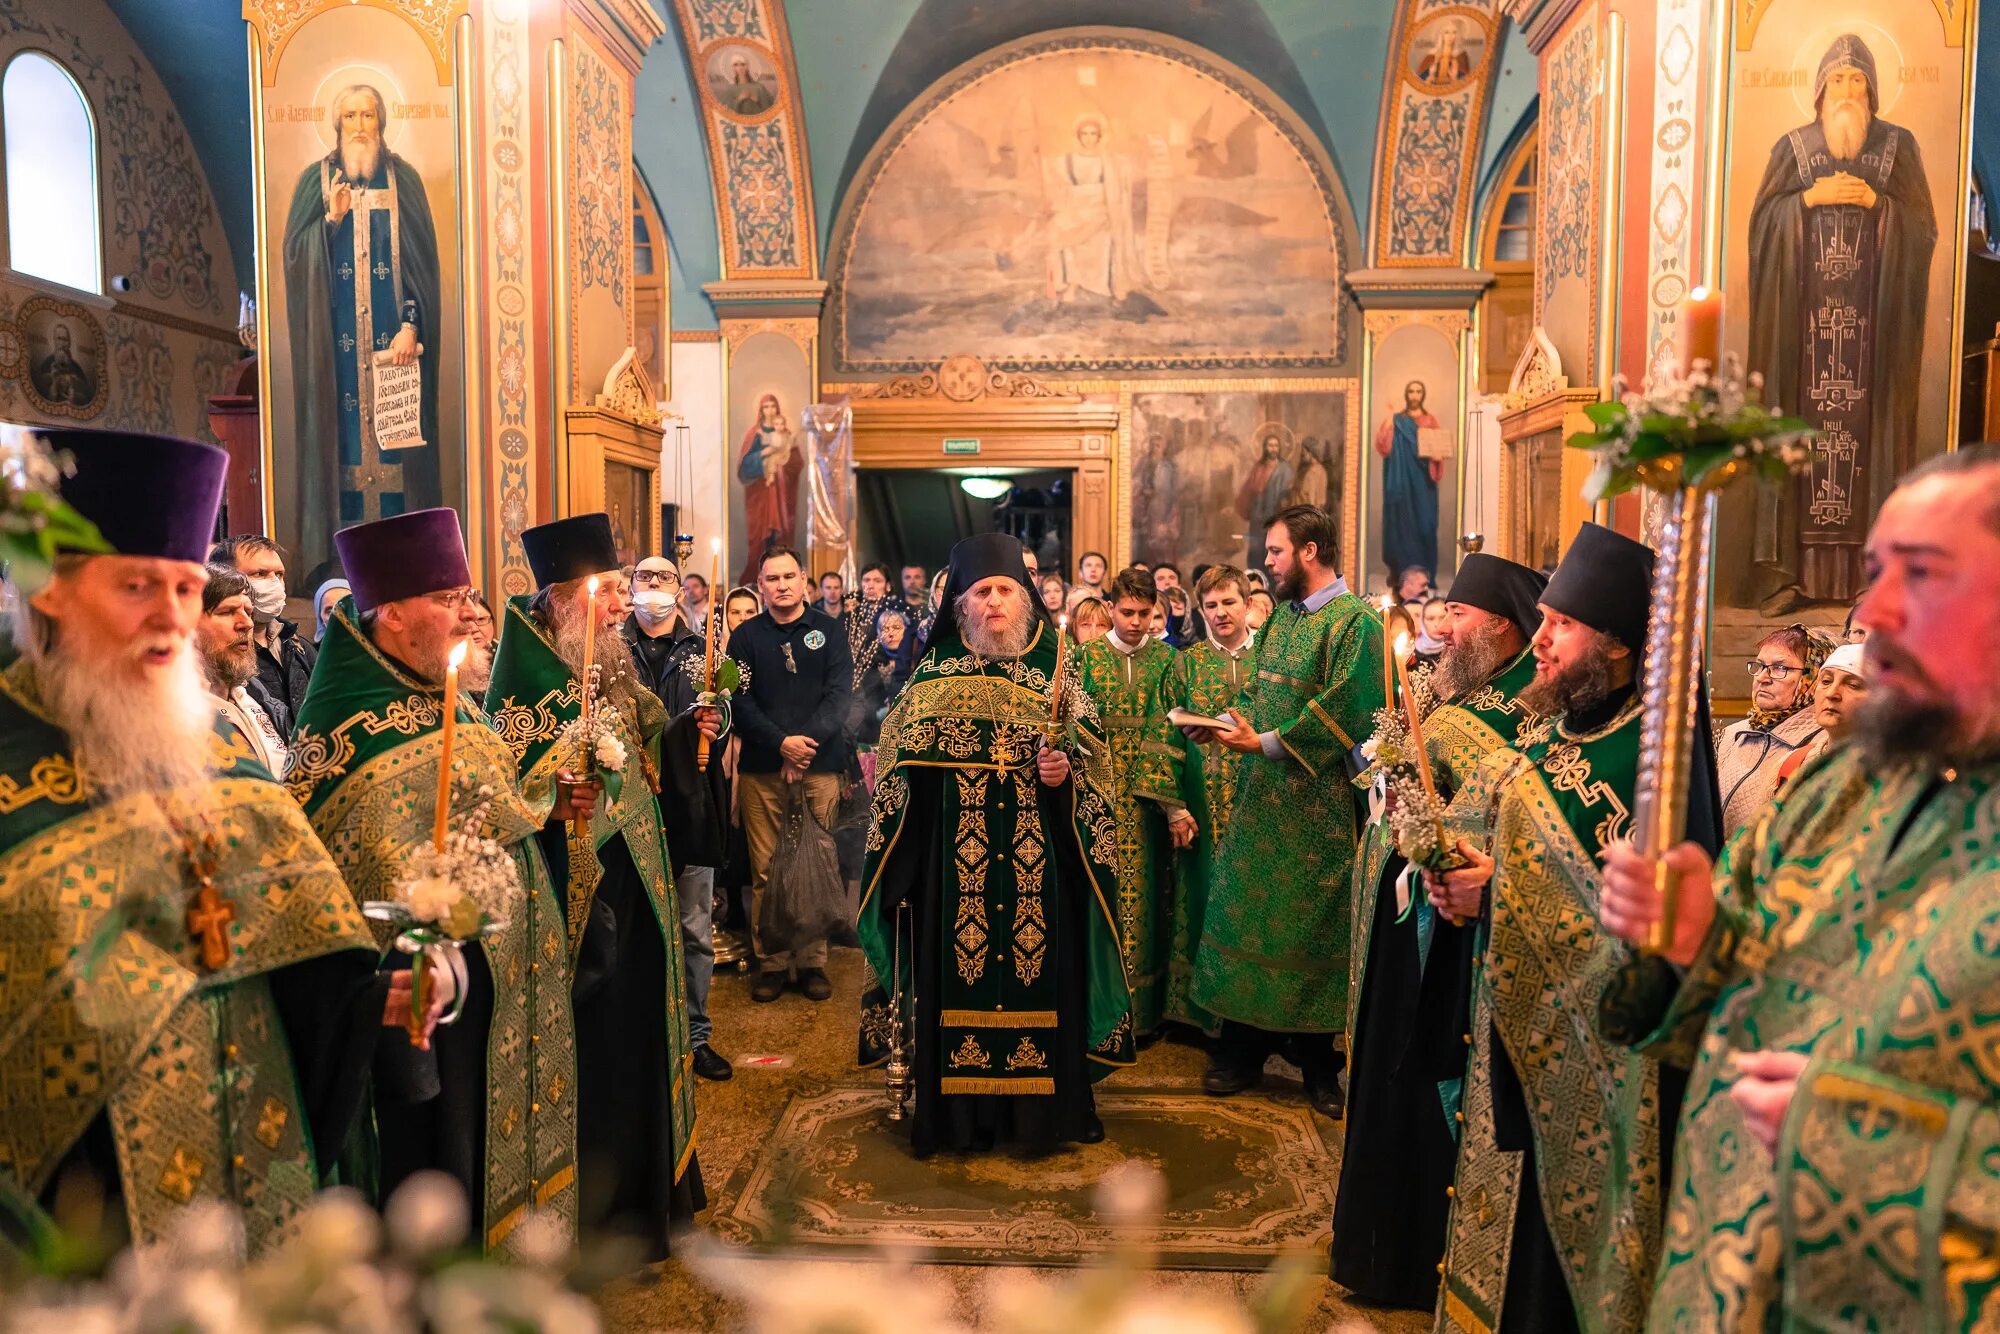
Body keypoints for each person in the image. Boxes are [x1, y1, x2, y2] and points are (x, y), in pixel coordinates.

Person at [1598, 446, 2000, 1330]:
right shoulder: (1841, 784)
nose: (1876, 613)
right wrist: (1700, 940)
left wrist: (1848, 1143)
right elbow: (1745, 995)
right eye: (1874, 575)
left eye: (1922, 576)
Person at [0, 428, 424, 1255]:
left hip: (264, 1170)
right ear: (46, 586)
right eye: (136, 586)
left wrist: (370, 999)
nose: (171, 619)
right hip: (93, 1212)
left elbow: (289, 956)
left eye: (188, 589)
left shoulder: (216, 749)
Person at [1427, 524, 1722, 1334]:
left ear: (1620, 648)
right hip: (1516, 1037)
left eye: (1560, 625)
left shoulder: (1656, 759)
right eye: (1544, 618)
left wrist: (1501, 894)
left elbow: (1657, 935)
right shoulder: (1557, 726)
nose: (1542, 640)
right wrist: (1466, 879)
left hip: (1606, 1078)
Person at [289, 507, 578, 1255]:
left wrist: (549, 809)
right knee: (440, 1170)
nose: (468, 615)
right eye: (447, 599)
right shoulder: (341, 734)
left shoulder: (451, 703)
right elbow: (333, 886)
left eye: (468, 597)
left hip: (505, 985)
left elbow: (503, 814)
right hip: (422, 1010)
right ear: (389, 612)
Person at [856, 533, 1136, 1156]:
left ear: (1026, 596)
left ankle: (1045, 1120)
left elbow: (1097, 778)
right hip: (953, 882)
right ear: (960, 602)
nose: (994, 604)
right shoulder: (930, 677)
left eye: (1006, 590)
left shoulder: (1057, 674)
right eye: (981, 592)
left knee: (1043, 983)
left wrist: (1066, 776)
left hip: (1043, 875)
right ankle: (960, 1123)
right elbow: (899, 787)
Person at [484, 512, 705, 1261]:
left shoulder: (610, 667)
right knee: (602, 1054)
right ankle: (605, 1216)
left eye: (619, 589)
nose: (619, 605)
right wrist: (553, 800)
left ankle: (654, 1198)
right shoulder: (521, 691)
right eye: (607, 590)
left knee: (642, 1038)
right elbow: (505, 800)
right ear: (561, 598)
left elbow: (650, 743)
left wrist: (695, 726)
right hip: (582, 918)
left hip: (638, 891)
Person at [1330, 553, 1545, 1311]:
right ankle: (1373, 1249)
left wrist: (1435, 821)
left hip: (1449, 935)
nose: (1443, 627)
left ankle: (1413, 1256)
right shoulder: (1455, 688)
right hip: (1403, 918)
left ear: (1503, 629)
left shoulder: (1526, 708)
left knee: (1424, 1095)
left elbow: (1509, 815)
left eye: (1459, 614)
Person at [1184, 504, 1384, 1118]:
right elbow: (1258, 693)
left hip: (1315, 806)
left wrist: (1268, 742)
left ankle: (1321, 1064)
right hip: (1258, 799)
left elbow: (1349, 708)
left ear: (1309, 551)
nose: (1264, 563)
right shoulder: (1285, 620)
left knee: (1309, 923)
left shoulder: (1356, 624)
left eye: (1274, 552)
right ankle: (1243, 1049)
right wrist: (1222, 724)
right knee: (1247, 913)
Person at [1747, 34, 1936, 610]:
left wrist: (1882, 209)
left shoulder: (1898, 148)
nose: (1848, 90)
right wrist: (1803, 202)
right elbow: (1761, 228)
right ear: (1820, 89)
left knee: (1869, 444)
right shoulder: (1794, 149)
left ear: (1874, 91)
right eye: (1838, 80)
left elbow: (1923, 230)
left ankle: (1871, 577)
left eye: (1859, 80)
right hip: (1800, 343)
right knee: (1798, 443)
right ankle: (1786, 578)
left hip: (1874, 340)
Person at [283, 83, 443, 560]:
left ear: (381, 123)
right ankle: (340, 566)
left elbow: (422, 269)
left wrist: (411, 326)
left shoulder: (404, 181)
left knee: (400, 460)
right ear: (336, 127)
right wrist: (329, 223)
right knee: (343, 449)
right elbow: (295, 258)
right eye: (349, 117)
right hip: (337, 357)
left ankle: (406, 560)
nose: (358, 126)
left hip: (395, 355)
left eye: (367, 116)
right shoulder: (316, 181)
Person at [1134, 565, 1260, 1037]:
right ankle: (1201, 1018)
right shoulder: (1185, 663)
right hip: (1200, 809)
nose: (1220, 612)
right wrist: (1174, 808)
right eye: (1211, 605)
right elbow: (1161, 734)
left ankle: (1251, 1024)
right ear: (1200, 610)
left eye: (1229, 602)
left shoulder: (1269, 660)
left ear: (1247, 604)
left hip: (1258, 805)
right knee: (1200, 900)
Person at [622, 555, 734, 1083]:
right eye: (644, 578)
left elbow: (723, 713)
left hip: (689, 801)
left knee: (693, 927)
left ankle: (695, 1038)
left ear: (678, 589)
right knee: (634, 923)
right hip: (629, 804)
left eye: (663, 578)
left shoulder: (701, 651)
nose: (653, 587)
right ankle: (642, 1039)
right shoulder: (609, 648)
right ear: (631, 588)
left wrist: (717, 723)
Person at [729, 546, 854, 1002]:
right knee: (766, 870)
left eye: (789, 576)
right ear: (759, 585)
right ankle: (773, 962)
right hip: (763, 769)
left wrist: (801, 748)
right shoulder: (745, 639)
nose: (781, 585)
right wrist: (780, 744)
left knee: (816, 862)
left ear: (805, 580)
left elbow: (839, 698)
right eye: (771, 579)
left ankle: (813, 961)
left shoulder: (829, 630)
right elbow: (739, 702)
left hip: (819, 767)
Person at [1073, 567, 1178, 1036]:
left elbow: (1174, 729)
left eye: (1146, 613)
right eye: (1128, 612)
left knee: (1148, 900)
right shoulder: (1085, 658)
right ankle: (1099, 1006)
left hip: (1148, 800)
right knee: (1100, 899)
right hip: (1094, 797)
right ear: (1111, 607)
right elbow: (1070, 725)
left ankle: (1143, 1013)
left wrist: (1165, 799)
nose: (1136, 622)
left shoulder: (1169, 661)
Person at [1717, 624, 1832, 837]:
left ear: (1813, 677)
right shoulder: (1733, 734)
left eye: (1780, 668)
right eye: (1760, 666)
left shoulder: (1823, 744)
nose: (1762, 677)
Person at [211, 533, 318, 733]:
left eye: (279, 575)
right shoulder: (217, 653)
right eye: (260, 574)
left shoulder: (299, 647)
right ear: (225, 578)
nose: (274, 583)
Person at [195, 564, 290, 775]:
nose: (246, 623)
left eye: (248, 612)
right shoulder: (174, 709)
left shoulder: (259, 698)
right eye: (228, 611)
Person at [1772, 640, 1868, 796]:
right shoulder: (1792, 764)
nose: (1831, 693)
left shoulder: (1894, 775)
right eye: (1826, 681)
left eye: (1853, 685)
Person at [1377, 384, 1445, 583]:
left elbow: (1438, 450)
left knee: (1425, 525)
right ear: (1406, 395)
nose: (1414, 396)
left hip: (1423, 485)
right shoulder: (1397, 420)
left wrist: (1437, 456)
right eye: (1411, 392)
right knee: (1401, 525)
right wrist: (1390, 417)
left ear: (1423, 395)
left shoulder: (1430, 421)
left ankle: (1424, 575)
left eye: (1418, 392)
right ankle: (1400, 575)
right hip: (1401, 485)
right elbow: (1384, 446)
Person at [737, 393, 802, 585]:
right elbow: (744, 467)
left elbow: (797, 463)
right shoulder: (754, 434)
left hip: (781, 492)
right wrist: (764, 454)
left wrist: (783, 466)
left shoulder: (786, 435)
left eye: (773, 406)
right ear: (760, 410)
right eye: (766, 407)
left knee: (778, 535)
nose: (770, 411)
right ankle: (757, 576)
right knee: (760, 537)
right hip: (760, 494)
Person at [855, 607, 913, 747]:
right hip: (875, 726)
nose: (891, 634)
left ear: (906, 629)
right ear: (878, 634)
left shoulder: (914, 656)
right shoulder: (869, 660)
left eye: (896, 627)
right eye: (885, 629)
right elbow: (867, 697)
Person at [1412, 595, 1450, 668]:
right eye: (1430, 618)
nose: (1437, 624)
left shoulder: (1459, 652)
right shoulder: (1411, 655)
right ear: (1422, 621)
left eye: (1443, 617)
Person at [312, 575, 350, 644]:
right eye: (330, 611)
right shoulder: (311, 653)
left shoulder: (372, 652)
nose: (339, 618)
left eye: (346, 609)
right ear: (320, 616)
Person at [680, 571, 711, 635]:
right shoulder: (683, 613)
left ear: (705, 590)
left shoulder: (716, 611)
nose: (691, 591)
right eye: (687, 588)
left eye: (696, 586)